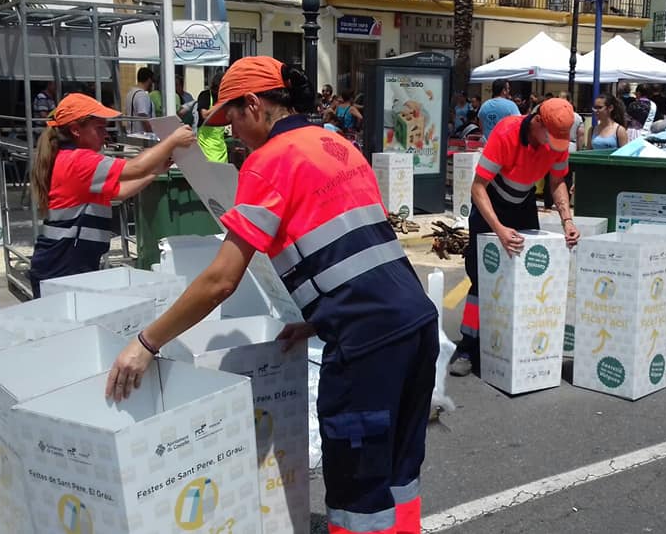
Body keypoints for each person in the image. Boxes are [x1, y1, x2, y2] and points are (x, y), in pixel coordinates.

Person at [103, 56, 439, 534]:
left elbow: (221, 279)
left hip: (367, 345)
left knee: (357, 488)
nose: (232, 131)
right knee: (399, 473)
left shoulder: (268, 161)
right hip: (415, 323)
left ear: (254, 104)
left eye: (232, 117)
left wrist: (146, 342)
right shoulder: (335, 142)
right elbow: (357, 246)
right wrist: (322, 316)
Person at [449, 98, 579, 377]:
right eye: (550, 138)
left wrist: (567, 220)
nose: (553, 146)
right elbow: (478, 186)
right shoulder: (507, 133)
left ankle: (514, 344)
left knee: (527, 275)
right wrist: (498, 228)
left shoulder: (557, 142)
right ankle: (468, 345)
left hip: (523, 204)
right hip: (490, 205)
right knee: (481, 280)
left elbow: (557, 182)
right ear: (537, 121)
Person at [29, 93, 194, 298]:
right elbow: (136, 167)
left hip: (63, 261)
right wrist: (172, 141)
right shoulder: (80, 161)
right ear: (75, 130)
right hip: (62, 266)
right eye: (99, 128)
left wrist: (155, 172)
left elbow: (120, 192)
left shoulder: (70, 158)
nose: (105, 134)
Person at [194, 73, 228, 163]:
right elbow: (204, 115)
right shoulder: (205, 95)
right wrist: (219, 105)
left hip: (220, 146)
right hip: (206, 144)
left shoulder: (223, 98)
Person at [125, 67, 155, 134]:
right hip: (142, 135)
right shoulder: (142, 95)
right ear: (149, 80)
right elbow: (143, 117)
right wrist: (152, 132)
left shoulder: (130, 93)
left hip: (131, 133)